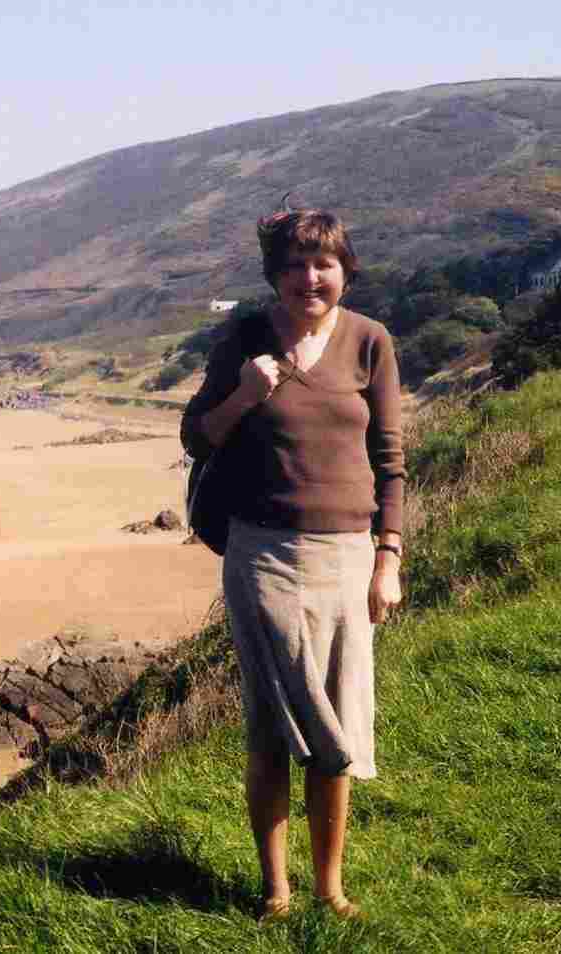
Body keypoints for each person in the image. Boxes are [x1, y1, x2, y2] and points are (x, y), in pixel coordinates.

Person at [180, 206, 404, 920]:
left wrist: (388, 558)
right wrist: (248, 392)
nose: (310, 278)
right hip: (261, 554)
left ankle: (329, 888)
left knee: (335, 724)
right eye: (295, 266)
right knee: (272, 726)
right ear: (275, 276)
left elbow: (391, 461)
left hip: (346, 554)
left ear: (345, 270)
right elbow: (199, 436)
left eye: (324, 264)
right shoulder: (243, 341)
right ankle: (275, 890)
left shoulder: (371, 343)